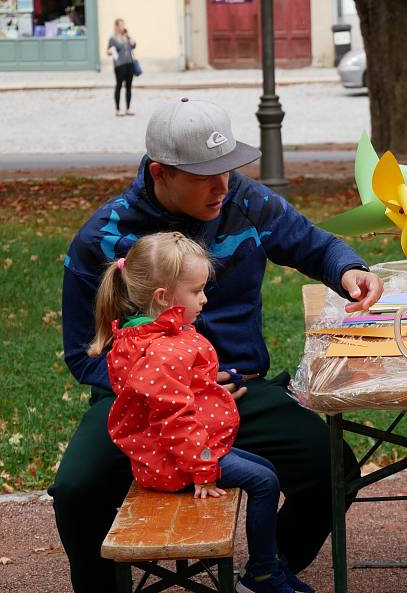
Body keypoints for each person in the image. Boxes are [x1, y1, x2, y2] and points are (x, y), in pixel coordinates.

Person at [50, 97, 383, 593]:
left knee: (332, 467)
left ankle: (270, 570)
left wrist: (350, 269)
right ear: (160, 172)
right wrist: (161, 389)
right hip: (139, 407)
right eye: (205, 174)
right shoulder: (104, 236)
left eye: (228, 167)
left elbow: (315, 243)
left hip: (240, 393)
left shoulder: (244, 201)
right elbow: (83, 353)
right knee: (76, 489)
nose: (223, 184)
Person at [90, 232, 311, 593]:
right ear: (164, 297)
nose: (204, 299)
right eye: (196, 291)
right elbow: (173, 420)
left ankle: (267, 566)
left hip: (183, 453)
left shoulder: (151, 334)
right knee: (265, 482)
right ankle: (262, 575)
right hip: (175, 463)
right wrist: (204, 471)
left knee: (268, 470)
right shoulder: (163, 351)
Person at [107, 18, 136, 117]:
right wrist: (110, 52)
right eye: (120, 25)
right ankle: (118, 109)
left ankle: (128, 108)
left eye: (123, 24)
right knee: (119, 86)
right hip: (119, 65)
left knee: (129, 86)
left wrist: (128, 36)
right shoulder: (113, 38)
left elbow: (134, 45)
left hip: (129, 63)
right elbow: (108, 51)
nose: (122, 27)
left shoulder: (126, 37)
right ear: (116, 26)